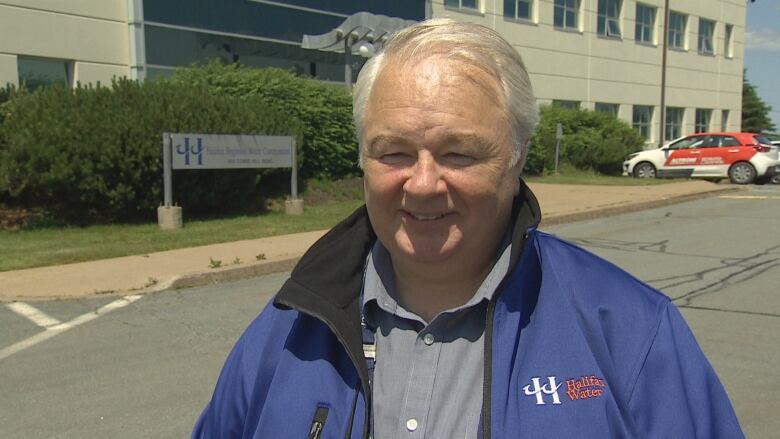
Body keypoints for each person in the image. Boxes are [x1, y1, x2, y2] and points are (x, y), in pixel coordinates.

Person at [193, 19, 744, 438]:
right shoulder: (286, 332)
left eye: (458, 153)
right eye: (394, 152)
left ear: (517, 155)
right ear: (363, 156)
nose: (424, 184)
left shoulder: (631, 334)